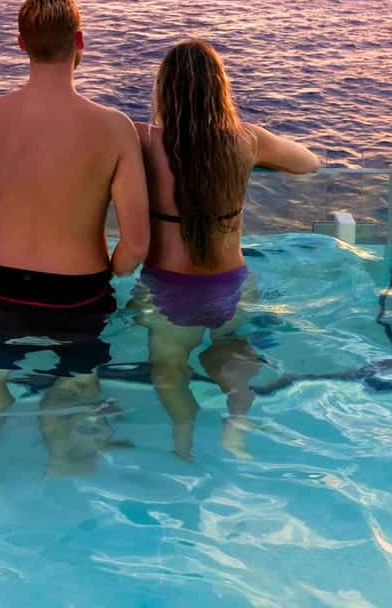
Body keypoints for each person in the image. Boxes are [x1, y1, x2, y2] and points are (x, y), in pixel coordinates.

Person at [0, 0, 150, 473]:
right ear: (81, 41)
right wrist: (109, 272)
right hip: (78, 296)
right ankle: (61, 460)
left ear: (20, 44)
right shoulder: (114, 128)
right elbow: (135, 245)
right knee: (75, 395)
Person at [134, 39, 318, 459]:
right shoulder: (245, 141)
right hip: (231, 285)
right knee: (234, 355)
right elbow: (310, 163)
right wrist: (256, 160)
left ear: (164, 90)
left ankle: (183, 437)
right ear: (221, 88)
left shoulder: (144, 140)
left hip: (168, 289)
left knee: (169, 371)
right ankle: (236, 423)